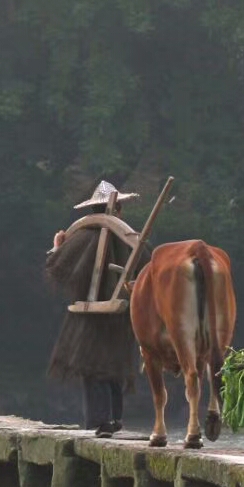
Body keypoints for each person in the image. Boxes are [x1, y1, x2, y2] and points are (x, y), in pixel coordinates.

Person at [45, 181, 140, 436]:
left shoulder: (83, 236)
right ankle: (114, 418)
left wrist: (57, 247)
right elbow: (148, 265)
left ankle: (101, 422)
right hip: (119, 313)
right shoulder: (128, 238)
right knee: (113, 364)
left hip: (90, 313)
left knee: (91, 364)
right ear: (117, 209)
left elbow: (58, 270)